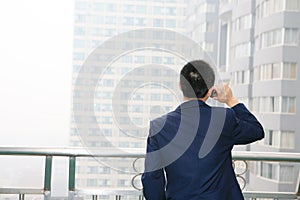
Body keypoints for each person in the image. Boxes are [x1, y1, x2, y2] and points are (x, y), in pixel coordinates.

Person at [141, 60, 264, 200]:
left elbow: (152, 178)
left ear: (180, 85)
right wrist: (231, 100)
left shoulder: (159, 126)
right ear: (210, 90)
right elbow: (256, 130)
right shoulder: (224, 118)